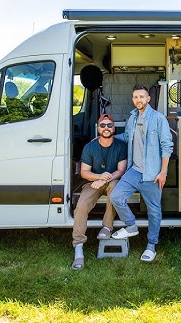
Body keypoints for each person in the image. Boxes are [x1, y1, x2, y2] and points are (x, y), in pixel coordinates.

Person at [110, 84, 173, 262]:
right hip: (134, 170)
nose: (139, 100)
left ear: (148, 99)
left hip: (152, 174)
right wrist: (108, 137)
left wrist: (163, 173)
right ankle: (131, 226)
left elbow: (166, 146)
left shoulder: (158, 119)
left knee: (154, 211)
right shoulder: (132, 118)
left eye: (142, 97)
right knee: (116, 197)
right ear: (133, 99)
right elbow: (127, 137)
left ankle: (151, 245)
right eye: (136, 97)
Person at [71, 113, 127, 270]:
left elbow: (121, 170)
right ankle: (79, 248)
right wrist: (98, 177)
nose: (106, 128)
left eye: (109, 125)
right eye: (103, 125)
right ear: (98, 128)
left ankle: (107, 227)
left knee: (115, 190)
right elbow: (84, 172)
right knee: (81, 206)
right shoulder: (90, 147)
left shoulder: (121, 146)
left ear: (114, 128)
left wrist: (105, 180)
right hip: (93, 182)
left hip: (111, 181)